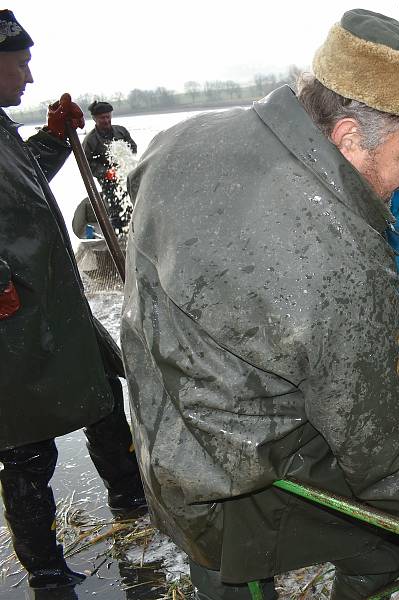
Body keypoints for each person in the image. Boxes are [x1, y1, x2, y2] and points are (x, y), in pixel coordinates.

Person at [121, 9, 399, 600]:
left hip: (159, 430)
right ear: (349, 137)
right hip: (231, 484)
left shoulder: (184, 136)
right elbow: (379, 452)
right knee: (383, 535)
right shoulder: (341, 252)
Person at [0, 10, 146, 591]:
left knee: (105, 397)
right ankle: (46, 571)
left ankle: (132, 503)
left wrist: (56, 140)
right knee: (26, 444)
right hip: (13, 316)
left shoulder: (2, 128)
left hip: (54, 302)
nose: (29, 76)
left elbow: (24, 179)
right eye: (20, 62)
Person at [81, 100, 137, 234]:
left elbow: (133, 147)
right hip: (108, 179)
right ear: (94, 118)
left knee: (134, 202)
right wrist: (106, 172)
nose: (106, 120)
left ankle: (135, 232)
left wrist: (127, 158)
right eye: (102, 118)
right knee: (116, 209)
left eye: (108, 116)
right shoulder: (90, 140)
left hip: (126, 173)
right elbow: (86, 164)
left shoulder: (121, 131)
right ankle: (117, 236)